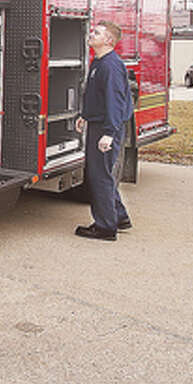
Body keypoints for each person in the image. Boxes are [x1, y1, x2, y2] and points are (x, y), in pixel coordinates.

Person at [74, 21, 133, 241]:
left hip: (106, 127)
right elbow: (97, 96)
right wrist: (85, 116)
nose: (91, 34)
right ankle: (118, 216)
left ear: (108, 41)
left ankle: (105, 227)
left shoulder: (110, 66)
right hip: (99, 123)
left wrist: (109, 132)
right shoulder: (99, 62)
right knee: (103, 174)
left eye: (96, 33)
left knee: (99, 176)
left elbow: (115, 101)